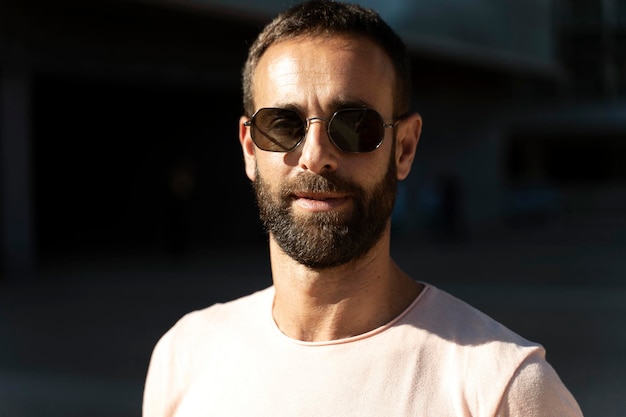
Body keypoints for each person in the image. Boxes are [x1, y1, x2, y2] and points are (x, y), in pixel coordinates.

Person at [142, 1, 584, 416]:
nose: (315, 155)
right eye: (282, 125)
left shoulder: (503, 388)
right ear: (249, 149)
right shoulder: (184, 355)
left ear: (404, 148)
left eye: (355, 126)